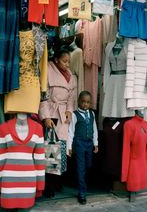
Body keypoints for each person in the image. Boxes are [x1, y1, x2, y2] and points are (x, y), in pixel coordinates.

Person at [39, 45, 75, 197]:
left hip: (64, 117)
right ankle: (49, 186)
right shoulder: (48, 71)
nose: (67, 64)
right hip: (52, 114)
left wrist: (69, 110)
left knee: (63, 150)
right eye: (64, 61)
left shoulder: (70, 75)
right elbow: (43, 96)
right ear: (56, 60)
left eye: (68, 62)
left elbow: (72, 97)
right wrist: (46, 116)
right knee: (51, 151)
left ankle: (59, 181)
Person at [68, 91, 98, 205]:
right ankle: (82, 193)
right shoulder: (75, 114)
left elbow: (94, 129)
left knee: (88, 165)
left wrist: (96, 143)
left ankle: (80, 181)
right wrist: (69, 147)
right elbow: (71, 131)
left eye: (88, 102)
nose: (85, 104)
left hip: (89, 143)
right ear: (79, 102)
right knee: (81, 168)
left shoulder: (92, 114)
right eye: (83, 102)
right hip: (79, 144)